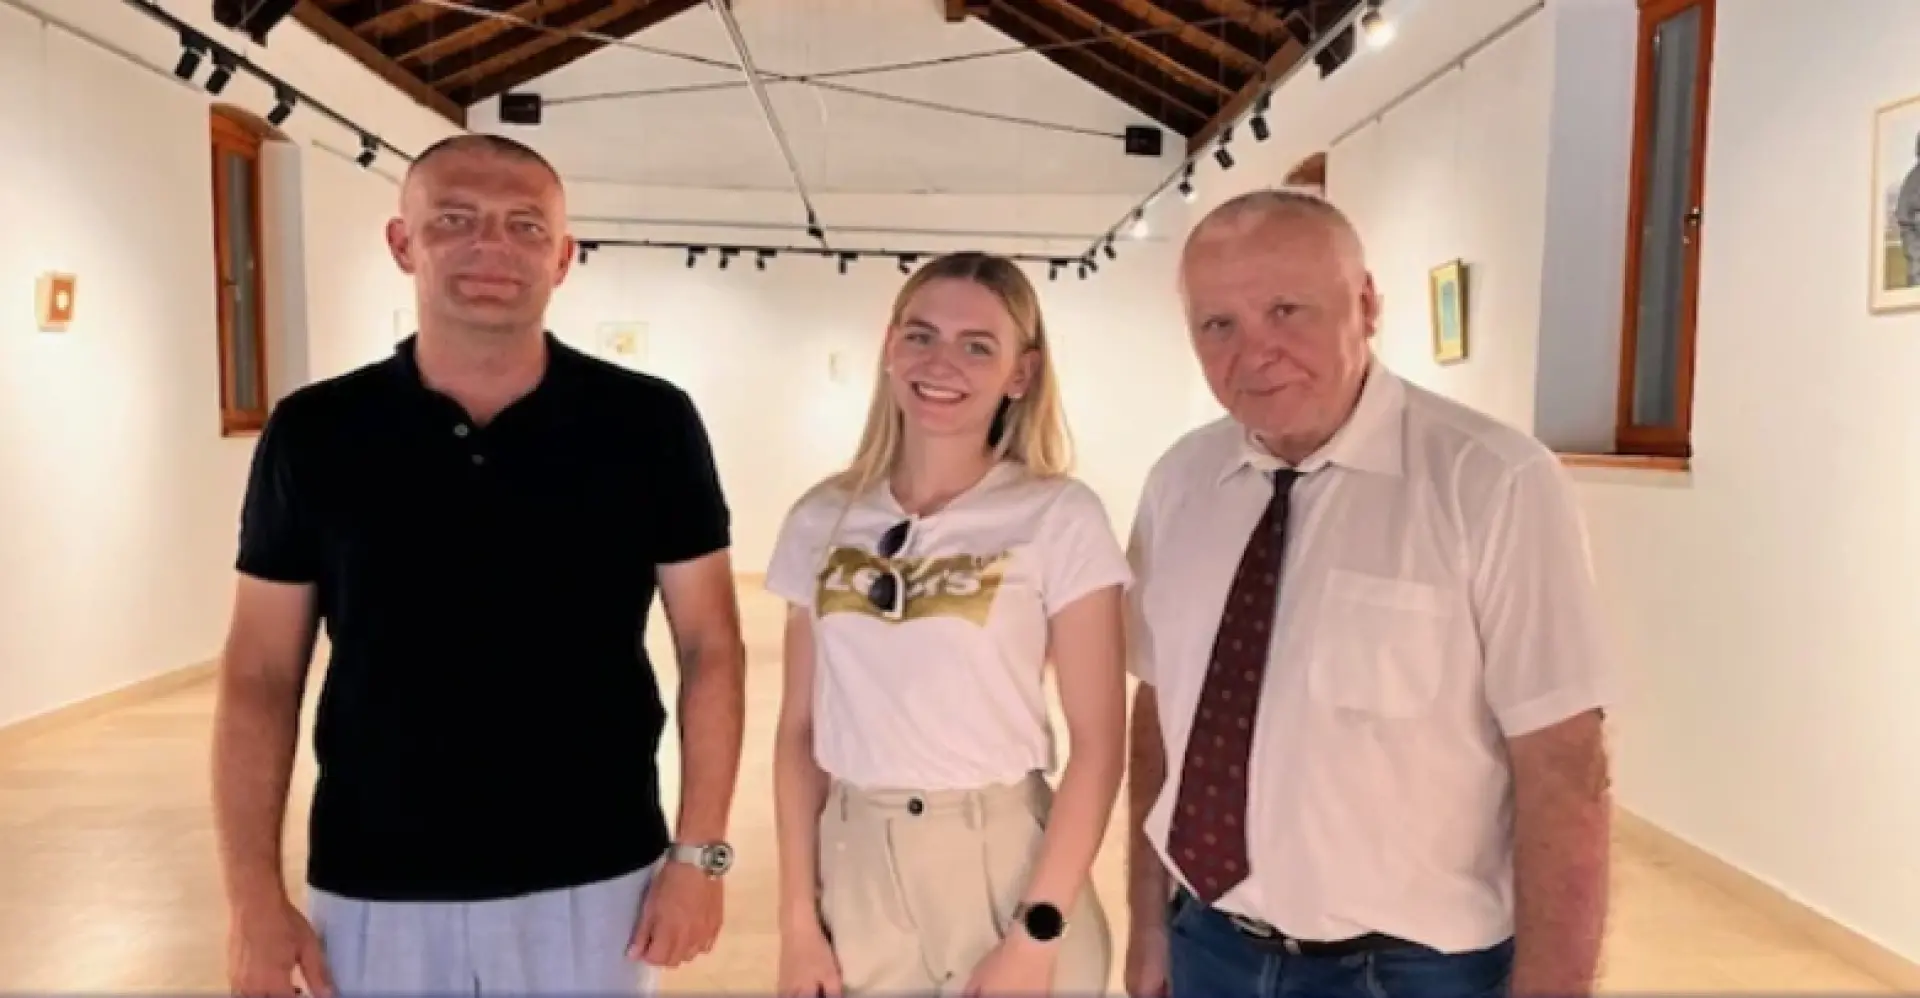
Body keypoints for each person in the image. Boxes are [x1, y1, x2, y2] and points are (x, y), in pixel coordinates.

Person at [210, 133, 747, 997]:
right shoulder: (317, 431)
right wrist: (250, 899)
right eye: (455, 219)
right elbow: (260, 673)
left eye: (524, 225)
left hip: (596, 871)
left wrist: (699, 855)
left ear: (562, 257)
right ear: (403, 242)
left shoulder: (647, 424)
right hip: (376, 877)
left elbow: (711, 646)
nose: (492, 247)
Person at [1122, 190, 1616, 998]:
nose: (1254, 354)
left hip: (1413, 973)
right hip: (1208, 946)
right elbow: (1158, 711)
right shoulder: (1179, 483)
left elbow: (1564, 767)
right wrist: (1147, 923)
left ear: (1367, 304)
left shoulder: (1494, 483)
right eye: (1218, 325)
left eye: (1287, 311)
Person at [765, 252, 1131, 997]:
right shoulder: (822, 517)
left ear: (1021, 374)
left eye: (977, 346)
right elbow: (798, 733)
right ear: (890, 345)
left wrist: (1036, 933)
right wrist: (798, 921)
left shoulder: (1058, 515)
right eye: (921, 335)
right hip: (858, 869)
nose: (941, 363)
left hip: (1007, 868)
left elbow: (1099, 746)